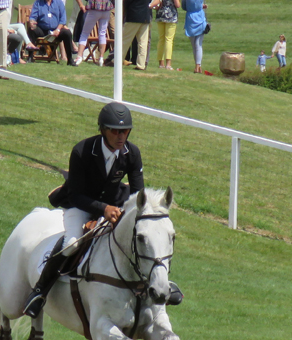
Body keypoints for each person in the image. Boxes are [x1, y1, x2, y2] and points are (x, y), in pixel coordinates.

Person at [23, 103, 182, 317]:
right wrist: (103, 208)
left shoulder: (132, 153)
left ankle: (160, 285)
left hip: (115, 206)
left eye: (124, 131)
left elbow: (138, 195)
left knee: (139, 239)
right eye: (115, 131)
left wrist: (128, 215)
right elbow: (76, 195)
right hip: (80, 205)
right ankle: (40, 291)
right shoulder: (82, 151)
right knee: (72, 244)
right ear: (103, 130)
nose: (120, 136)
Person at [27, 0, 77, 66]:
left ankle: (70, 60)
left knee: (67, 33)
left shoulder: (59, 2)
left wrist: (58, 30)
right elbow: (33, 17)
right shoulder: (38, 2)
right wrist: (32, 22)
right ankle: (30, 57)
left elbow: (63, 20)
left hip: (56, 29)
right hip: (42, 29)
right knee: (32, 29)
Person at [72, 0, 112, 66]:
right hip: (106, 8)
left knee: (84, 34)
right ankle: (101, 58)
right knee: (102, 34)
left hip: (95, 7)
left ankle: (79, 57)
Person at [121, 0, 151, 71]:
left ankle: (117, 60)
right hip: (145, 16)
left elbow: (126, 3)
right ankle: (141, 64)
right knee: (143, 42)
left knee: (124, 40)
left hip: (134, 15)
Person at [153, 0, 179, 70]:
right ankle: (168, 64)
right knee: (169, 40)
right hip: (171, 16)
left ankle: (161, 63)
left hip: (160, 15)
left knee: (161, 39)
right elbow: (177, 5)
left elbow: (155, 4)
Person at [182, 0, 205, 73]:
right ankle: (198, 66)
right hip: (200, 17)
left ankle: (197, 66)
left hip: (190, 18)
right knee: (198, 44)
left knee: (194, 46)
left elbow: (184, 6)